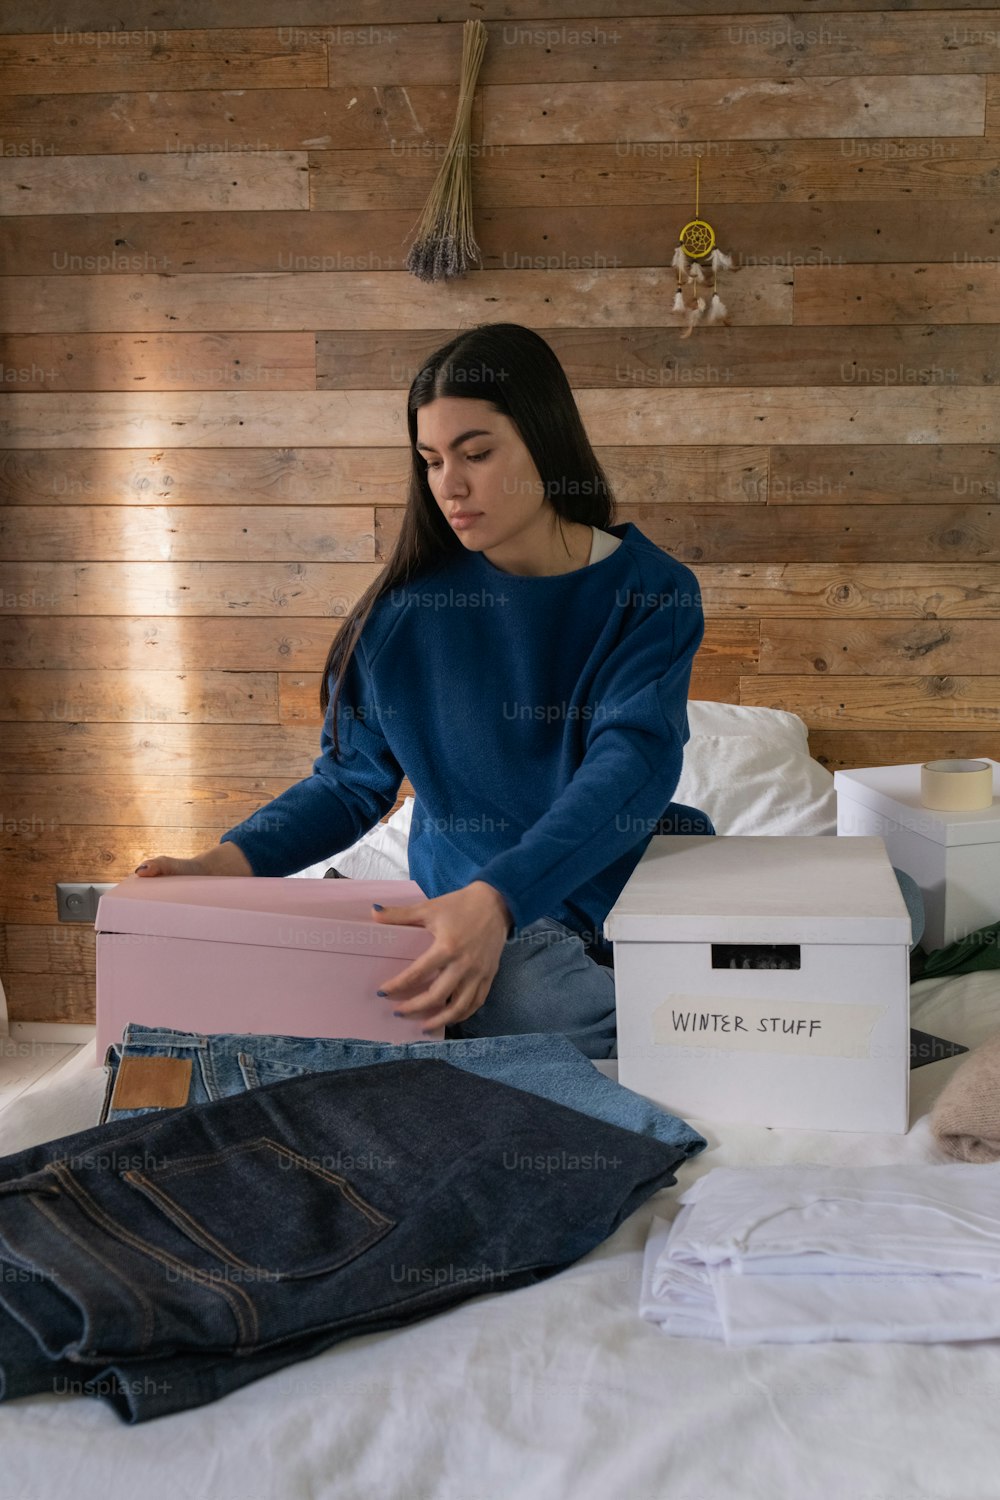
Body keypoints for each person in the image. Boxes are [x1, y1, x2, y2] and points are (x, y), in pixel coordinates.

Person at [133, 321, 714, 1059]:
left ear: (545, 438)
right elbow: (349, 785)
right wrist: (223, 864)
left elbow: (630, 764)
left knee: (858, 901)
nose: (450, 486)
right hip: (476, 899)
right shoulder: (406, 615)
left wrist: (498, 900)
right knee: (524, 1002)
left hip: (609, 864)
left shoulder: (651, 592)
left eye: (476, 453)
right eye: (432, 460)